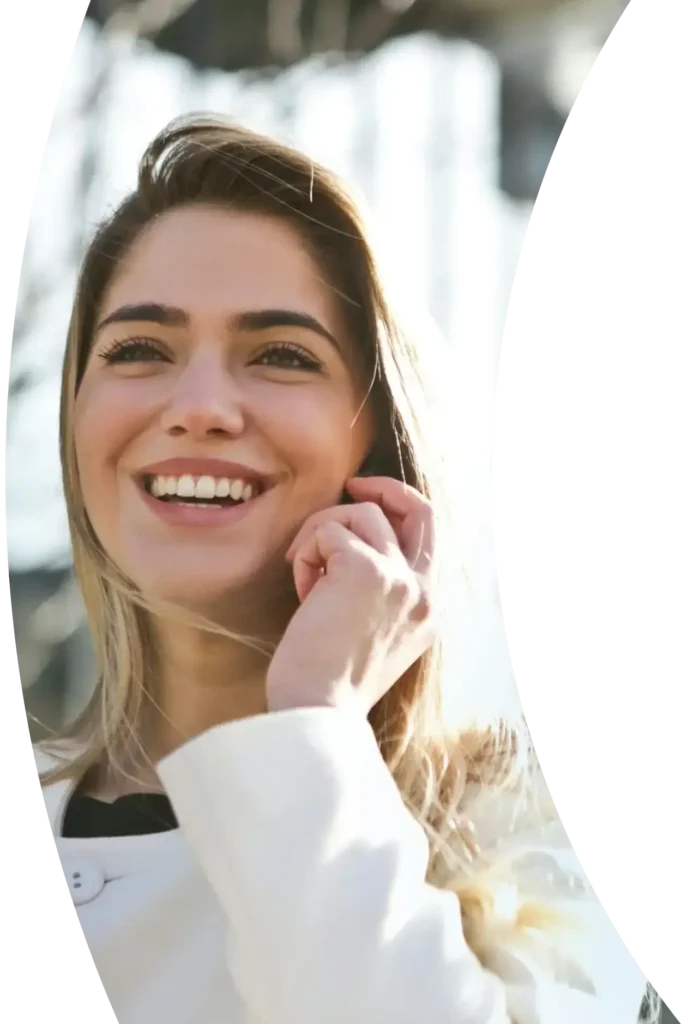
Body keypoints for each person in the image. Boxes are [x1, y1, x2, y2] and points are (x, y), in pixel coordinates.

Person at [31, 115, 649, 1024]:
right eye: (138, 350)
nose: (198, 406)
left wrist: (314, 721)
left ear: (382, 443)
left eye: (280, 355)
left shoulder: (526, 848)